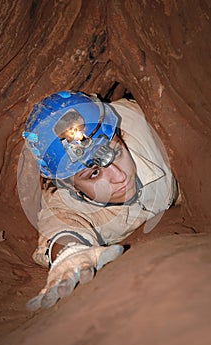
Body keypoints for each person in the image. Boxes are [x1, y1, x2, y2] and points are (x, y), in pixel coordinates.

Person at [22, 90, 178, 311]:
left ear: (119, 135)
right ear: (68, 184)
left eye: (116, 152)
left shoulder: (147, 124)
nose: (120, 176)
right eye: (94, 173)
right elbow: (59, 230)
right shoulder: (63, 202)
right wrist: (70, 253)